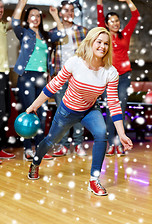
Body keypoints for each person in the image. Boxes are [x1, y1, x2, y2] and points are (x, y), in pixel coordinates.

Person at [26, 27, 133, 196]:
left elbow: (113, 103)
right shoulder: (75, 62)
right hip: (67, 111)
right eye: (99, 42)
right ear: (90, 42)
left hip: (90, 109)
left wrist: (121, 134)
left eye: (106, 43)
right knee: (50, 140)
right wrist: (34, 105)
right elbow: (54, 85)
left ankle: (94, 180)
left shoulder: (110, 72)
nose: (102, 46)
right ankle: (36, 162)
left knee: (101, 133)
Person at [12, 0, 65, 161]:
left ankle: (39, 149)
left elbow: (62, 33)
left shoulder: (46, 36)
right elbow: (14, 22)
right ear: (27, 18)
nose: (35, 18)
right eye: (32, 15)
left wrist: (56, 15)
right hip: (26, 76)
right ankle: (28, 149)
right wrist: (21, 4)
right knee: (29, 112)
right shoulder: (24, 33)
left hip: (43, 77)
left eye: (37, 16)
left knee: (42, 113)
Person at [97, 0, 140, 156]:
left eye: (117, 20)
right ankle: (110, 143)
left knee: (120, 108)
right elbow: (100, 13)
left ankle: (119, 143)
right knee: (110, 109)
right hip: (108, 77)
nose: (115, 23)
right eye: (111, 21)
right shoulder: (104, 35)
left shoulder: (125, 34)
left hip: (124, 76)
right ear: (106, 24)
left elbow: (135, 16)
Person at [51, 0, 88, 157]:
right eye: (66, 10)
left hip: (78, 77)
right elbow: (49, 56)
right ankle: (63, 145)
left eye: (72, 10)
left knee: (78, 111)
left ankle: (79, 144)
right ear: (60, 13)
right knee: (62, 112)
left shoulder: (83, 31)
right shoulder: (53, 32)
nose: (69, 13)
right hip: (60, 77)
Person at [0, 0, 16, 163]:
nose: (1, 10)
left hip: (3, 74)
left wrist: (21, 3)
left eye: (2, 7)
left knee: (5, 113)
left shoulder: (3, 25)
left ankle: (0, 148)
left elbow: (16, 19)